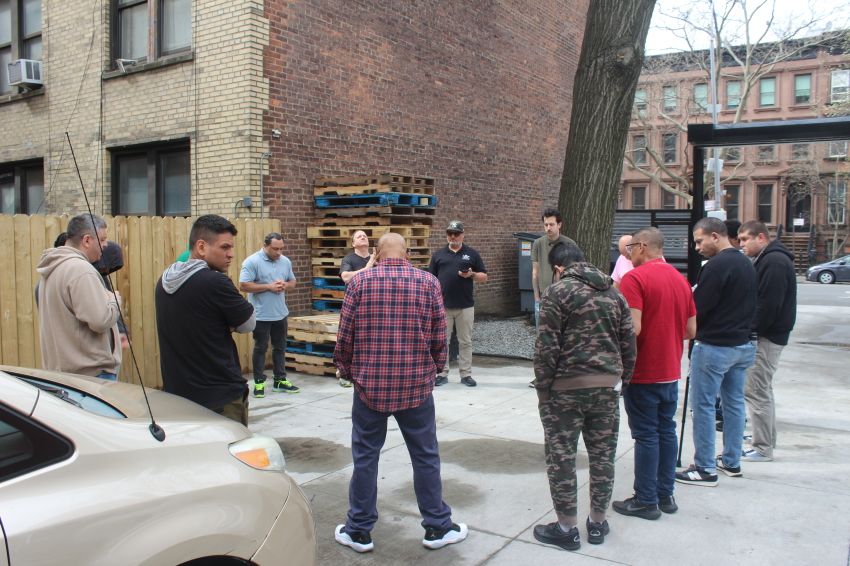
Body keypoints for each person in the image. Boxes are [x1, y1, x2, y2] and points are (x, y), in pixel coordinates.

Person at [333, 233, 467, 554]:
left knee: (365, 458)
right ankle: (437, 526)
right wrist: (433, 370)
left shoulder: (359, 284)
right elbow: (439, 336)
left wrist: (348, 371)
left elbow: (345, 336)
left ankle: (359, 531)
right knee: (425, 456)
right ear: (407, 254)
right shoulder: (428, 283)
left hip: (370, 387)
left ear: (376, 253)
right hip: (415, 387)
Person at [533, 242, 636, 551]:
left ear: (558, 268)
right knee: (603, 456)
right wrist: (622, 381)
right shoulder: (614, 293)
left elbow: (546, 346)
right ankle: (597, 522)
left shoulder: (558, 292)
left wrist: (542, 388)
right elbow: (629, 343)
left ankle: (566, 529)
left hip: (565, 390)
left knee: (561, 456)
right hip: (606, 388)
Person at [613, 227, 696, 520]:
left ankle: (646, 500)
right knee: (665, 431)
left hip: (643, 371)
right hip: (670, 371)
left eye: (631, 247)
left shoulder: (634, 278)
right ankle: (665, 494)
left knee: (647, 435)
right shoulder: (681, 279)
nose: (628, 253)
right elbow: (691, 329)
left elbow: (631, 328)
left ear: (643, 246)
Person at [676, 217, 756, 487]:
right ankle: (731, 461)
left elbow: (698, 308)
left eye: (699, 241)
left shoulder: (716, 266)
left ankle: (705, 467)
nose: (697, 247)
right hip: (742, 345)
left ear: (714, 236)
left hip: (714, 346)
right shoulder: (746, 262)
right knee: (733, 404)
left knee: (703, 407)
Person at [155, 215, 256, 426]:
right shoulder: (215, 281)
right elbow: (248, 323)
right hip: (219, 398)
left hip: (178, 396)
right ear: (201, 246)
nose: (231, 254)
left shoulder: (165, 280)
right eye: (225, 247)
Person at [37, 214, 122, 380]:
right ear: (87, 240)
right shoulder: (81, 270)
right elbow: (100, 320)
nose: (105, 245)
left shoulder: (53, 267)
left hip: (64, 374)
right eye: (103, 239)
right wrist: (114, 299)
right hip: (92, 375)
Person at [738, 220, 797, 462]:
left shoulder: (773, 261)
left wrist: (751, 332)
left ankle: (762, 447)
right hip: (771, 334)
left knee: (756, 388)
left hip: (768, 336)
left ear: (760, 237)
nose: (741, 244)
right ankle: (765, 438)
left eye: (744, 239)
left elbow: (768, 304)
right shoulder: (770, 259)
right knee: (762, 388)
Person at [428, 220, 488, 387]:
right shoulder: (438, 254)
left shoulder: (472, 254)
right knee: (442, 342)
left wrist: (472, 275)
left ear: (463, 234)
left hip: (465, 305)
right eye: (450, 233)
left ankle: (466, 374)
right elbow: (431, 279)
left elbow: (484, 276)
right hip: (443, 306)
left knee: (465, 341)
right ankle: (442, 373)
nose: (452, 236)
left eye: (456, 233)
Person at [239, 233, 298, 398]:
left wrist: (285, 285)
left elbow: (293, 282)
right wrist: (269, 287)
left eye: (281, 249)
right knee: (260, 348)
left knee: (279, 348)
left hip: (280, 313)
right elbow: (244, 285)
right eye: (275, 249)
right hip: (260, 315)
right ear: (265, 246)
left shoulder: (285, 261)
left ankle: (280, 379)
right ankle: (259, 382)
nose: (278, 252)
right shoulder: (252, 262)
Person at [532, 207, 577, 325]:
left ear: (559, 224)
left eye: (551, 224)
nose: (548, 228)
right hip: (544, 297)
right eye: (546, 225)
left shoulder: (569, 244)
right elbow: (535, 271)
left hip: (565, 298)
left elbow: (575, 272)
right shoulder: (538, 244)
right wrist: (537, 298)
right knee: (542, 334)